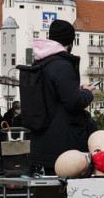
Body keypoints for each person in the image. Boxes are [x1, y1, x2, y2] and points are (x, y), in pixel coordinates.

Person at [29, 19, 98, 173]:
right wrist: (87, 93)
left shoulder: (40, 63)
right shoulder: (61, 65)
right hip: (63, 144)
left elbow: (53, 96)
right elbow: (73, 102)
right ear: (70, 41)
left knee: (52, 193)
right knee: (68, 192)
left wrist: (76, 90)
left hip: (44, 140)